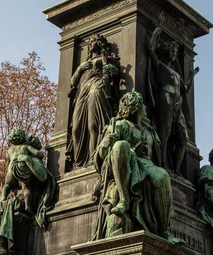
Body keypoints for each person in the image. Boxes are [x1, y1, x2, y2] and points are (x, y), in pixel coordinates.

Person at [93, 91, 176, 241]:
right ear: (135, 108)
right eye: (142, 105)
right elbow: (101, 156)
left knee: (162, 176)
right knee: (120, 145)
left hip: (146, 164)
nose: (145, 107)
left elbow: (157, 158)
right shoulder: (119, 125)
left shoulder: (149, 131)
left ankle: (164, 230)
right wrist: (106, 144)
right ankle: (123, 199)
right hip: (127, 161)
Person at [148, 25, 199, 174]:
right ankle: (162, 163)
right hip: (165, 98)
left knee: (183, 139)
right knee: (165, 131)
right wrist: (156, 32)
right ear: (166, 52)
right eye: (172, 51)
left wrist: (192, 75)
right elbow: (150, 50)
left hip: (177, 104)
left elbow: (185, 89)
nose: (175, 54)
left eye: (176, 52)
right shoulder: (160, 66)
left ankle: (176, 172)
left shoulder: (176, 74)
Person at [67, 34, 120, 169]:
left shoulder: (105, 58)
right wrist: (80, 68)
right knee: (76, 128)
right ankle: (78, 162)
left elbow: (114, 72)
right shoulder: (84, 64)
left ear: (99, 43)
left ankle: (93, 158)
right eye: (89, 42)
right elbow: (72, 82)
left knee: (93, 125)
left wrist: (107, 67)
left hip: (96, 88)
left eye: (92, 41)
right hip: (82, 92)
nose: (90, 44)